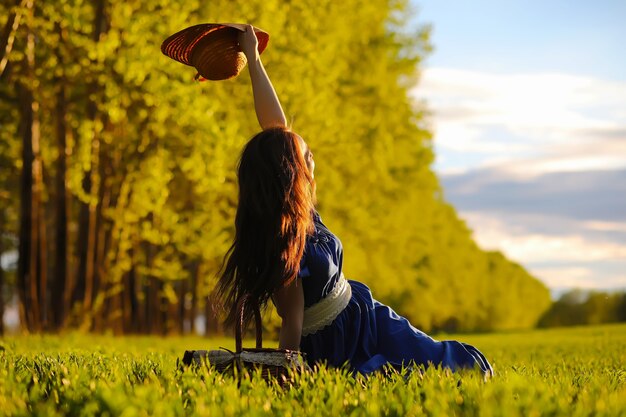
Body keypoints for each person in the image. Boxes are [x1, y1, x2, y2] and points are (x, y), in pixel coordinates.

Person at [216, 25, 493, 377]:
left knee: (456, 364)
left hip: (369, 316)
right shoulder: (285, 244)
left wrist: (253, 59)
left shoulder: (303, 215)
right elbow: (291, 329)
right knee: (397, 376)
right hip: (339, 342)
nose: (312, 158)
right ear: (289, 173)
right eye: (306, 155)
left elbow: (275, 127)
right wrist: (285, 371)